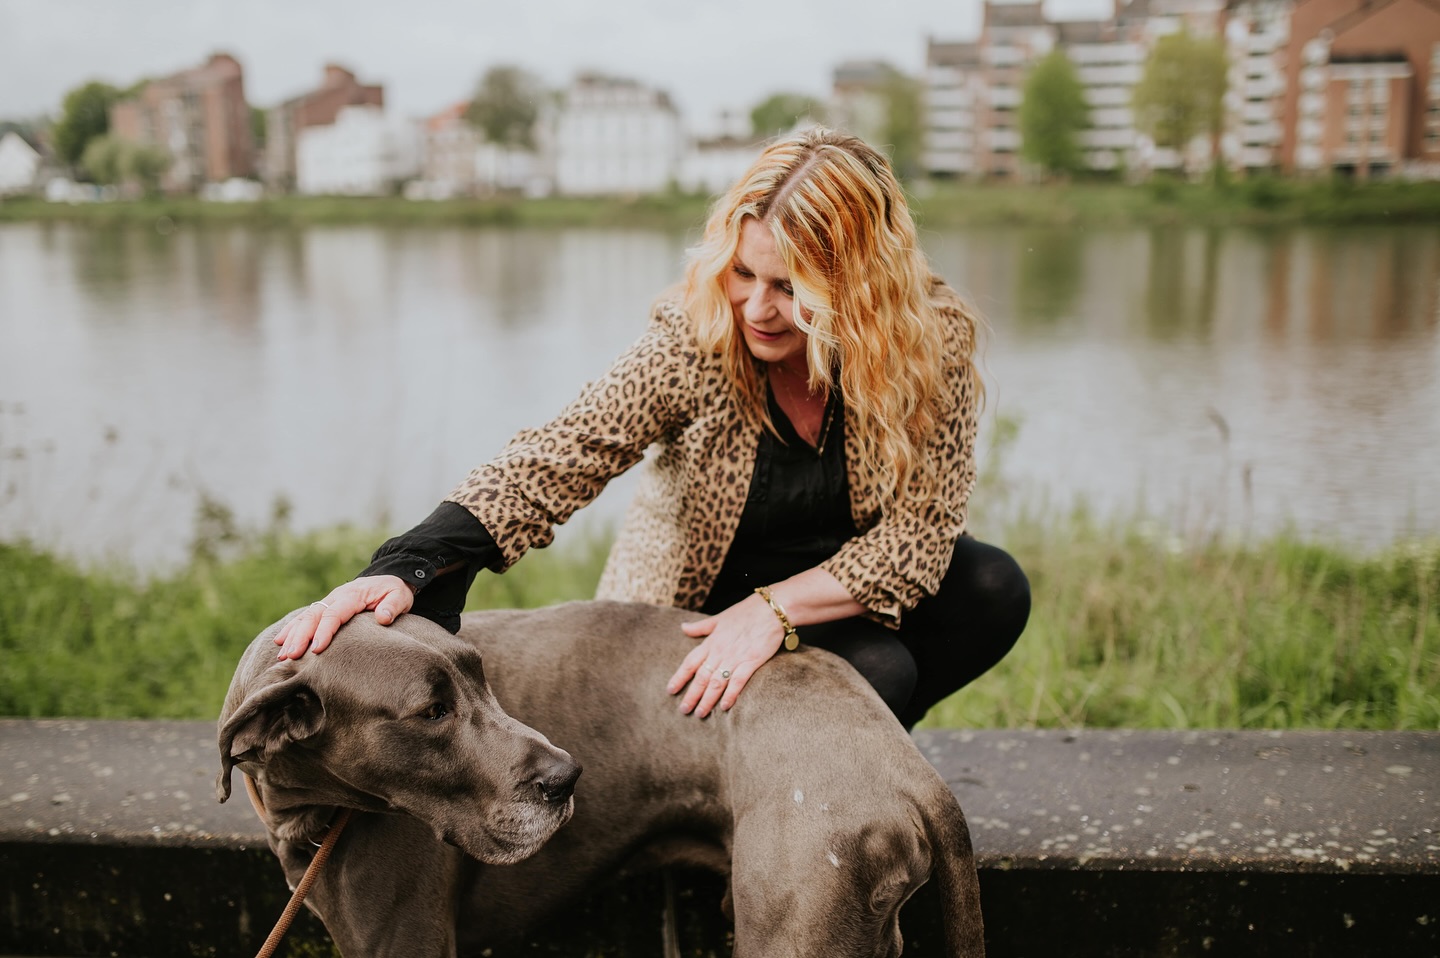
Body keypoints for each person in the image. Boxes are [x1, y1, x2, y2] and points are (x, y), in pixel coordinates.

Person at [274, 127, 1030, 729]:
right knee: (879, 673)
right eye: (743, 273)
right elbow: (562, 453)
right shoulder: (699, 339)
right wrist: (414, 561)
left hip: (828, 592)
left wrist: (774, 611)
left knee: (992, 587)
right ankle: (754, 801)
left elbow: (921, 536)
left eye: (790, 287)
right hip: (693, 610)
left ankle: (847, 775)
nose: (756, 309)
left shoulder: (928, 344)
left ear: (857, 289)